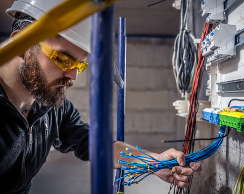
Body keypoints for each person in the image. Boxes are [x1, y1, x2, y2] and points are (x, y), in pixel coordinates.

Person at [0, 0, 202, 193]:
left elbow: (93, 144)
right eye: (62, 58)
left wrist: (154, 162)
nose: (73, 76)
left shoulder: (51, 107)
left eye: (80, 65)